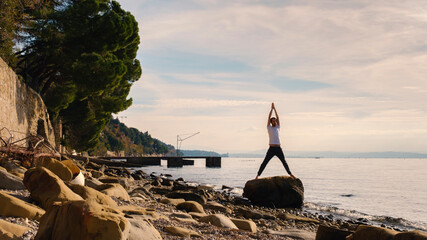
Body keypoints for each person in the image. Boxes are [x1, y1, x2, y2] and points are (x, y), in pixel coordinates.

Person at [256, 103, 296, 180]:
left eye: (275, 121)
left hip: (278, 148)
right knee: (265, 162)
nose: (274, 122)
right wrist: (271, 109)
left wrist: (275, 109)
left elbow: (278, 117)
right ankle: (257, 175)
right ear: (271, 122)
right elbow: (268, 118)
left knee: (284, 162)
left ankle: (291, 174)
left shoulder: (278, 127)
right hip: (271, 148)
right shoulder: (269, 127)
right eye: (273, 121)